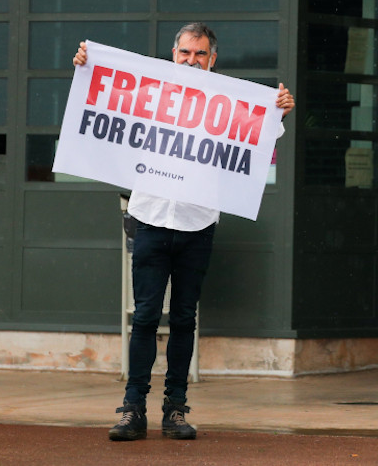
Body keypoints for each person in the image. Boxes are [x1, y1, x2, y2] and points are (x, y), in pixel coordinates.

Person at [72, 22, 295, 441]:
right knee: (144, 317)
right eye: (185, 53)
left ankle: (175, 409)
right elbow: (103, 96)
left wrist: (277, 108)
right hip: (150, 218)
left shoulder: (229, 102)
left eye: (200, 54)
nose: (191, 60)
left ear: (213, 60)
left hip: (197, 223)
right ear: (172, 55)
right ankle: (132, 408)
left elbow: (260, 138)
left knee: (184, 320)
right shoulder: (147, 93)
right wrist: (86, 66)